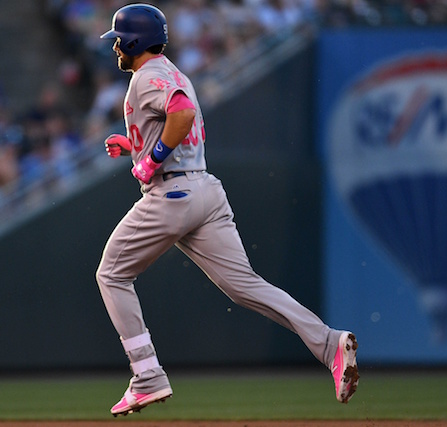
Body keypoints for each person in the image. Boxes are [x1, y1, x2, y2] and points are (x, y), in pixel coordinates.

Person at [95, 4, 359, 417]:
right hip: (204, 190)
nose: (115, 49)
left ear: (133, 41)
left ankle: (147, 375)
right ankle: (329, 344)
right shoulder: (172, 71)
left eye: (118, 41)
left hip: (172, 196)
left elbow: (180, 113)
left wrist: (149, 160)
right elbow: (179, 119)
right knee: (246, 286)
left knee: (111, 274)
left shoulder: (146, 78)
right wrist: (136, 148)